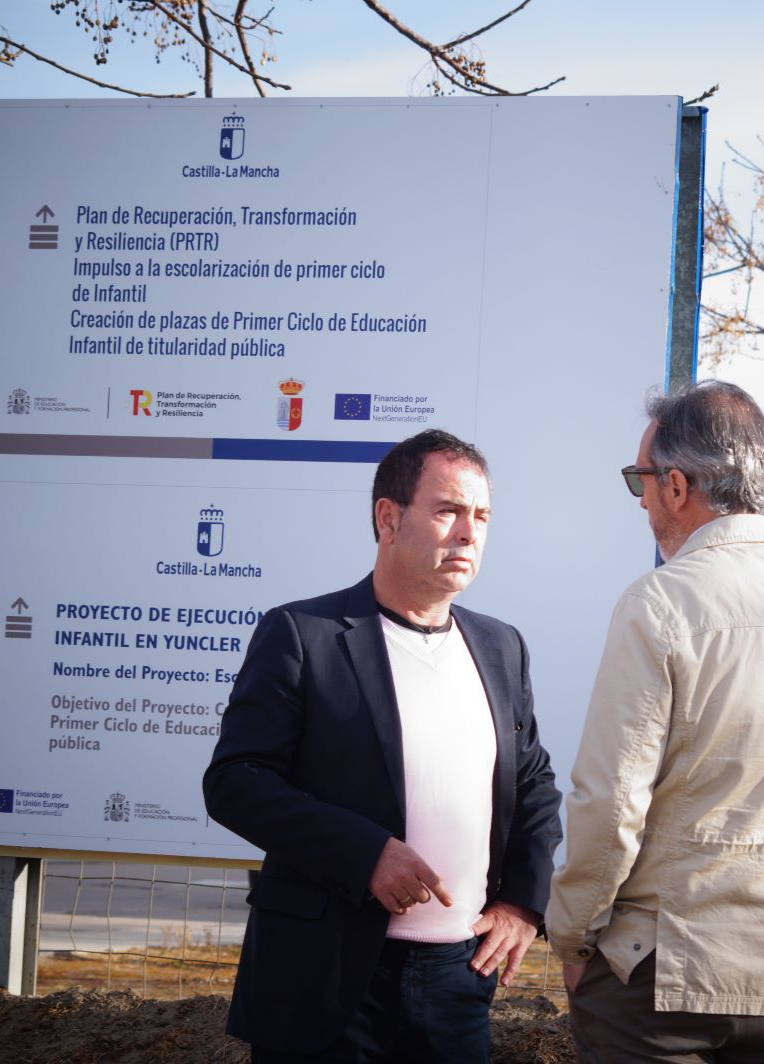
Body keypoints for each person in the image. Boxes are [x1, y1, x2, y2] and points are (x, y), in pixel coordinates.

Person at [546, 381, 764, 1064]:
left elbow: (610, 803)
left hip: (664, 976)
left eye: (641, 481)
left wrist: (574, 938)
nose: (641, 501)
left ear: (677, 486)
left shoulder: (659, 603)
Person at [203, 429, 563, 1063]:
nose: (468, 533)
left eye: (481, 516)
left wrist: (522, 905)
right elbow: (236, 781)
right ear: (388, 518)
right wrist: (365, 854)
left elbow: (533, 784)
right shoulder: (304, 634)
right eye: (448, 510)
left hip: (458, 977)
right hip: (324, 977)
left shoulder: (501, 646)